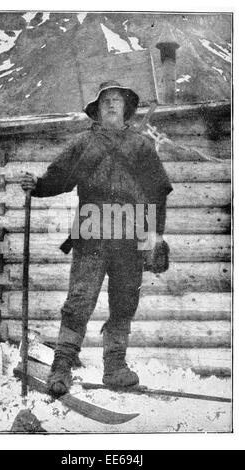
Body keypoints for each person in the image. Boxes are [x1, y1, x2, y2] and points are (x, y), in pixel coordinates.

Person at [21, 80, 173, 396]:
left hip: (132, 234)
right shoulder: (83, 144)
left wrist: (154, 236)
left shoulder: (141, 146)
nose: (111, 104)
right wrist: (37, 185)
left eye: (117, 99)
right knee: (79, 300)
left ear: (127, 107)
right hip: (91, 231)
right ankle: (60, 369)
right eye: (105, 100)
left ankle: (115, 368)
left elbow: (157, 192)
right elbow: (58, 177)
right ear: (97, 109)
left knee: (125, 302)